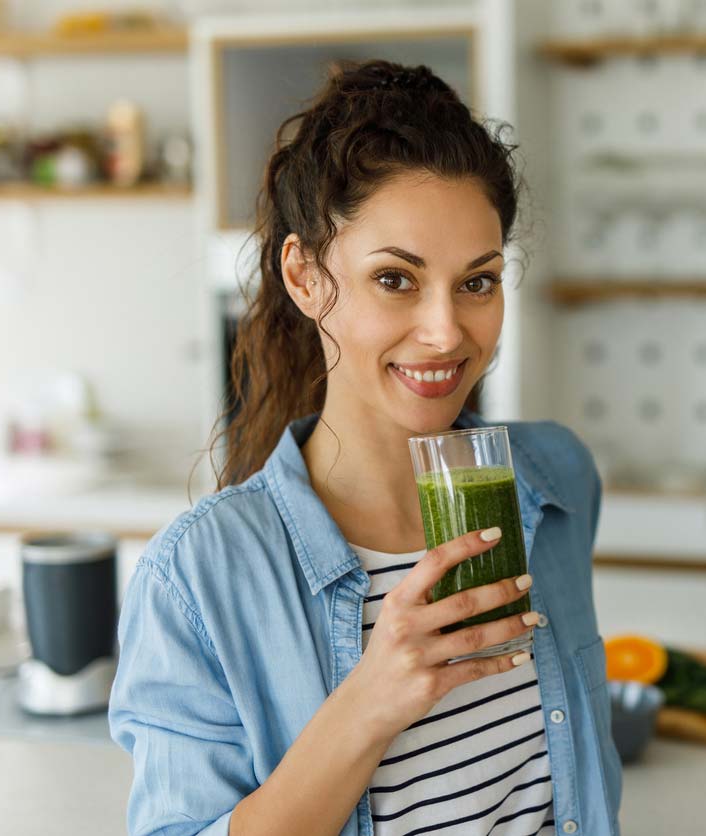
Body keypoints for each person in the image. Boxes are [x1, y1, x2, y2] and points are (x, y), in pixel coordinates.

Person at [108, 59, 622, 836]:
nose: (448, 332)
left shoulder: (556, 481)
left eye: (477, 282)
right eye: (396, 279)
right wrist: (374, 699)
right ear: (307, 277)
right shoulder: (199, 577)